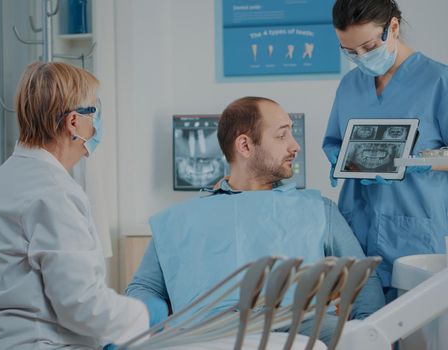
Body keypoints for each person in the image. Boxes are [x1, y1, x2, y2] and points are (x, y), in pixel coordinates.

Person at [127, 96, 385, 345]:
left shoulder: (317, 208)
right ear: (245, 146)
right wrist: (157, 323)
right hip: (208, 333)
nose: (295, 146)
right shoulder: (177, 220)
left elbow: (363, 275)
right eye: (282, 135)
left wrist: (366, 332)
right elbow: (145, 287)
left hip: (303, 329)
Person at [0, 62, 148, 349]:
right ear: (74, 122)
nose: (98, 123)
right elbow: (80, 304)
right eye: (95, 111)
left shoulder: (7, 177)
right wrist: (140, 316)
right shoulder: (54, 192)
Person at [323, 0, 448, 301]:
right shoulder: (349, 85)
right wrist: (336, 156)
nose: (360, 57)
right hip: (358, 231)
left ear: (393, 27)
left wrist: (421, 163)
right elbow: (334, 140)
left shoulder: (440, 82)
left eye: (368, 47)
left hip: (416, 234)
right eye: (349, 51)